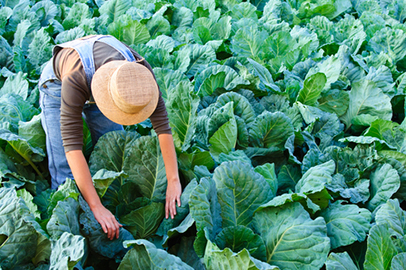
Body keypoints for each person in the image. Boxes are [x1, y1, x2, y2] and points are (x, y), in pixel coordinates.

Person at [38, 35, 182, 240]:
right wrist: (96, 208)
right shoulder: (75, 77)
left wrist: (173, 179)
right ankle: (69, 238)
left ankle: (107, 206)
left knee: (114, 149)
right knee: (65, 173)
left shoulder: (140, 76)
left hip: (110, 79)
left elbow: (163, 128)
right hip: (58, 85)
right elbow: (72, 147)